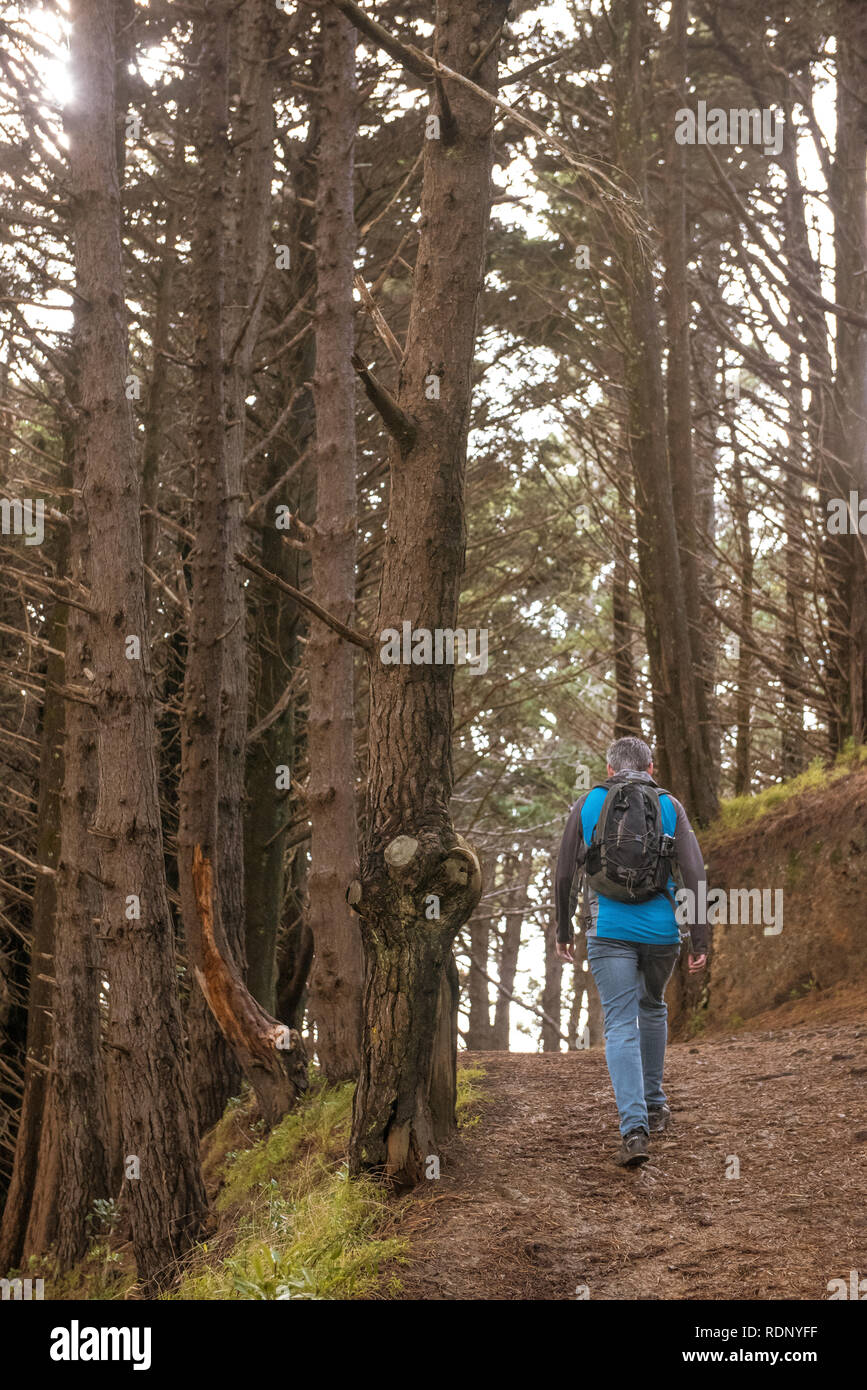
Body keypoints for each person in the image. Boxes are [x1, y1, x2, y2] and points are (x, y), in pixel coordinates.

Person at [554, 736, 708, 1168]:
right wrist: (700, 937)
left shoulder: (588, 803)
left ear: (609, 769)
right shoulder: (669, 805)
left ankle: (634, 1128)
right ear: (651, 767)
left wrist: (562, 929)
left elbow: (565, 870)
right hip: (661, 930)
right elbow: (694, 874)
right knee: (653, 1006)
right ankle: (656, 1106)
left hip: (609, 928)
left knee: (620, 1023)